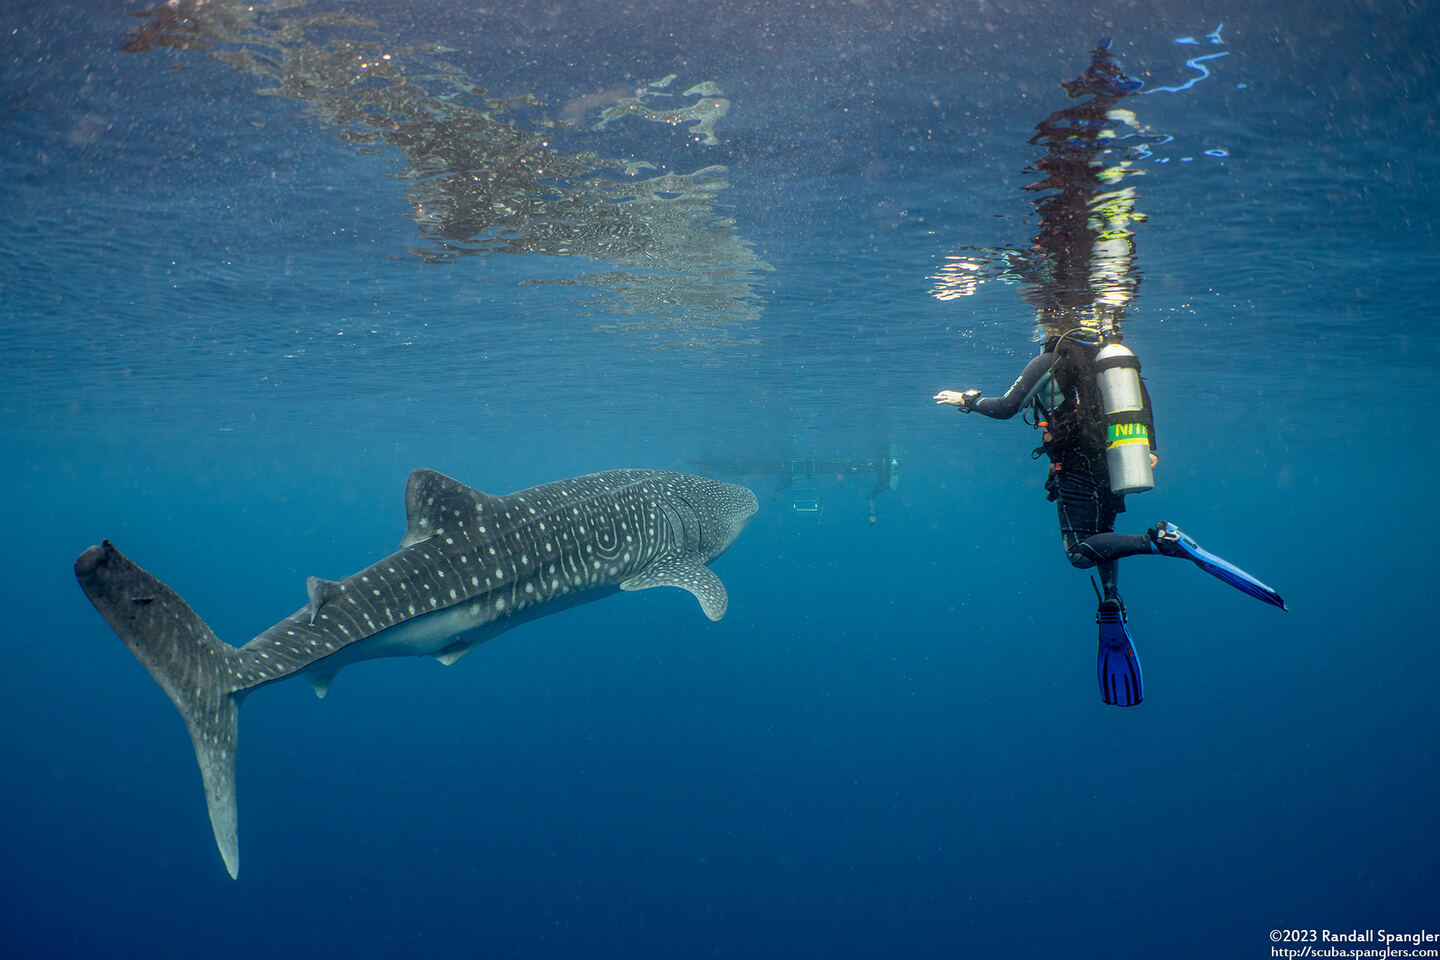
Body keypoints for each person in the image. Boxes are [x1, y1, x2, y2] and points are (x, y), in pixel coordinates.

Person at [935, 330, 1286, 707]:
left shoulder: (1051, 360)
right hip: (1115, 464)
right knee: (1104, 533)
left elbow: (1007, 407)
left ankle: (1157, 543)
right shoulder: (1109, 361)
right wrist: (1148, 445)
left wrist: (967, 401)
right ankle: (1112, 601)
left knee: (1080, 552)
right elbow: (1141, 402)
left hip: (1077, 468)